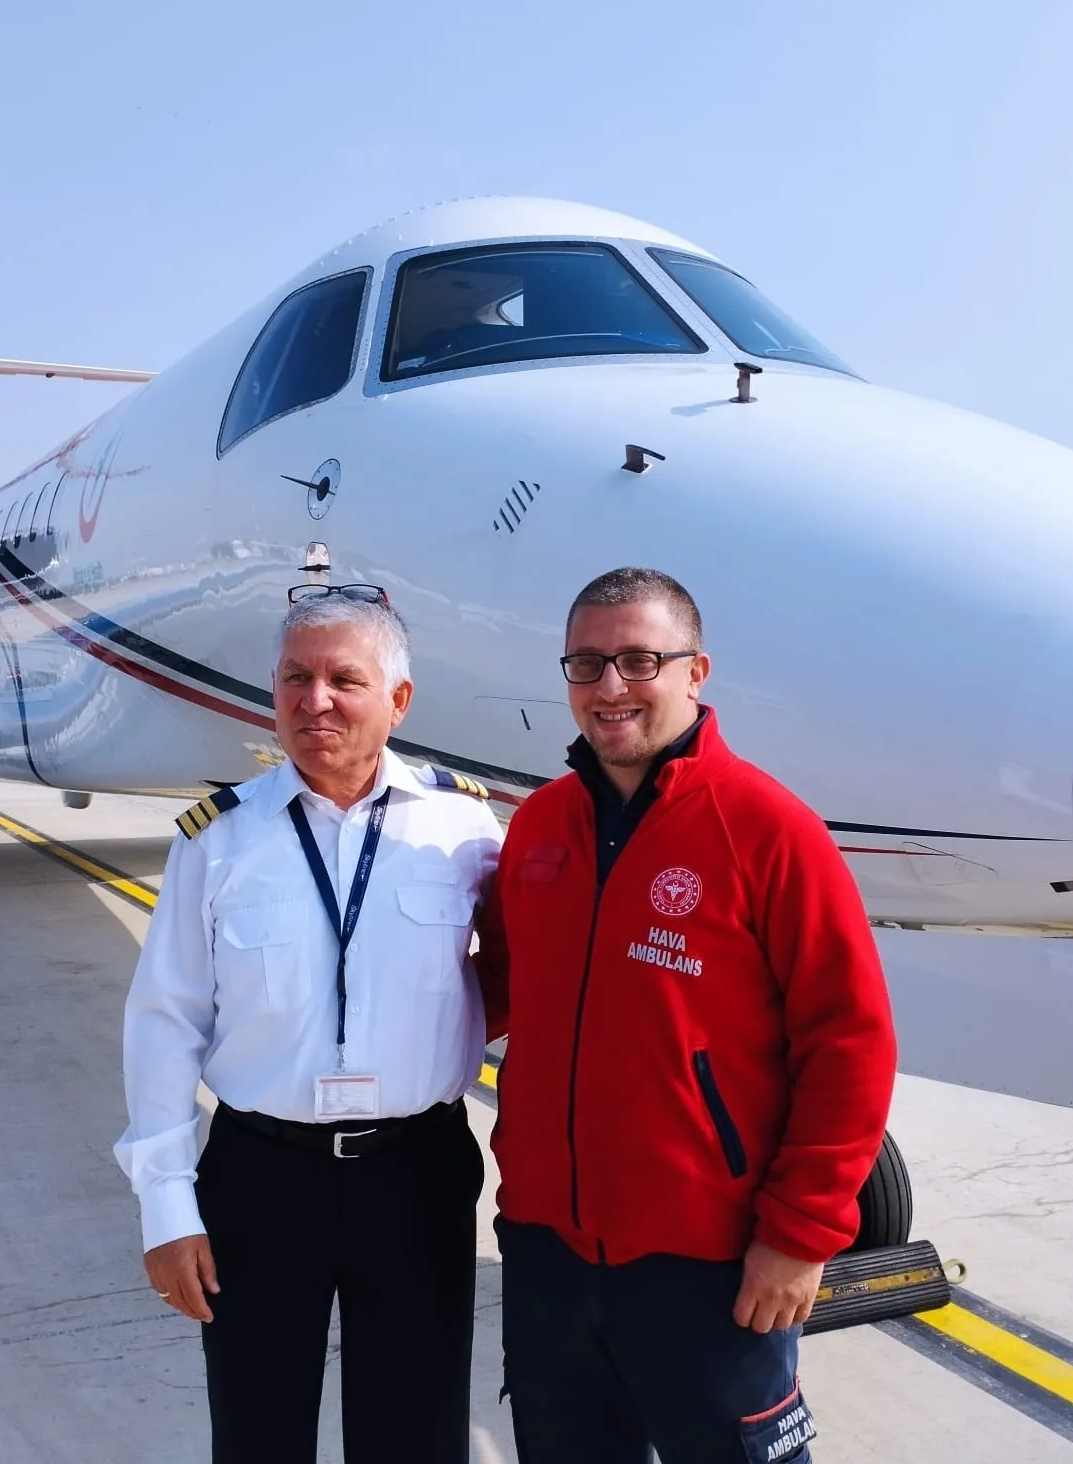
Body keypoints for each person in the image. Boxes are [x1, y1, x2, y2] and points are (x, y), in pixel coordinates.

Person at [481, 566, 897, 1464]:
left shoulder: (769, 829)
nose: (611, 688)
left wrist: (799, 1234)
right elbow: (486, 991)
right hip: (547, 1250)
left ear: (696, 672)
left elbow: (850, 1042)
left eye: (640, 660)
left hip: (712, 1262)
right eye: (586, 664)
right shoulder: (539, 828)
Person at [114, 585, 501, 1464]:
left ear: (398, 700)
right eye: (295, 677)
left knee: (417, 1431)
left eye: (343, 678)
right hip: (261, 1176)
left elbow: (529, 978)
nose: (314, 699)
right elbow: (164, 1021)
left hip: (417, 1174)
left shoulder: (464, 830)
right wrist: (166, 1204)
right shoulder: (217, 837)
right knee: (256, 1430)